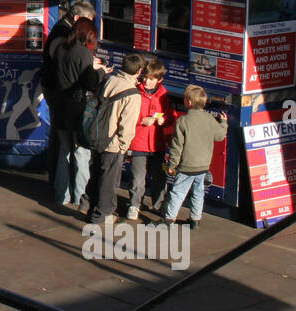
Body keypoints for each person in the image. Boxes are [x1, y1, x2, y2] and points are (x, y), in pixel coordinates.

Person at [49, 16, 108, 211]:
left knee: (64, 151)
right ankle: (80, 197)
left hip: (61, 108)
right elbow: (89, 81)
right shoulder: (83, 54)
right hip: (79, 110)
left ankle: (61, 195)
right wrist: (100, 71)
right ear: (87, 35)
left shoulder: (61, 50)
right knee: (81, 153)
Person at [90, 52, 146, 226]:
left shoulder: (109, 80)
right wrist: (123, 146)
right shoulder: (133, 94)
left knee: (96, 174)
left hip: (96, 134)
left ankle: (89, 206)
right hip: (112, 142)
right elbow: (127, 126)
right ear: (139, 72)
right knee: (109, 180)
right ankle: (102, 214)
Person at [161, 85, 229, 229]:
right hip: (203, 166)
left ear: (188, 102)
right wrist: (223, 123)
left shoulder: (182, 122)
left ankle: (169, 219)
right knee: (198, 193)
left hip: (187, 166)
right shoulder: (210, 119)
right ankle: (195, 220)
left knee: (178, 192)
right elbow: (220, 136)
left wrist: (172, 165)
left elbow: (177, 146)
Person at [126, 59, 177, 219]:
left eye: (151, 78)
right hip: (138, 143)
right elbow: (127, 115)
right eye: (145, 77)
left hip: (157, 144)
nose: (147, 81)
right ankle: (134, 205)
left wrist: (165, 120)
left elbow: (170, 116)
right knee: (138, 178)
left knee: (159, 177)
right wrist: (142, 121)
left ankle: (159, 205)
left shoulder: (164, 95)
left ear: (159, 80)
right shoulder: (135, 92)